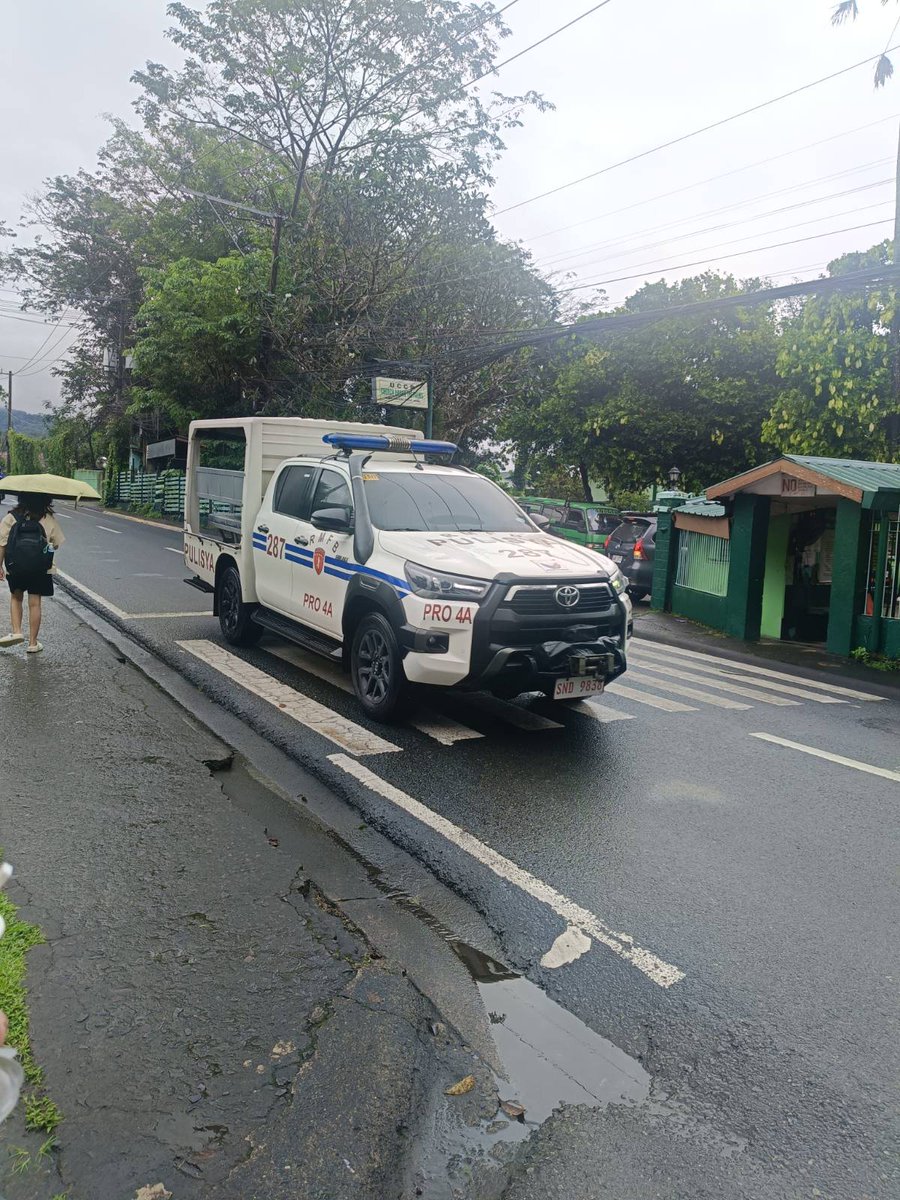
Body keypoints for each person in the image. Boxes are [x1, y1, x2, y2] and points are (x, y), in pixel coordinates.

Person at [0, 493, 65, 653]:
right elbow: (56, 544)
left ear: (21, 499)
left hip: (16, 567)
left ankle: (17, 632)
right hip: (40, 569)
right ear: (46, 500)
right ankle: (33, 644)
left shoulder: (11, 517)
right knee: (35, 603)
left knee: (16, 597)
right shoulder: (48, 519)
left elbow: (2, 543)